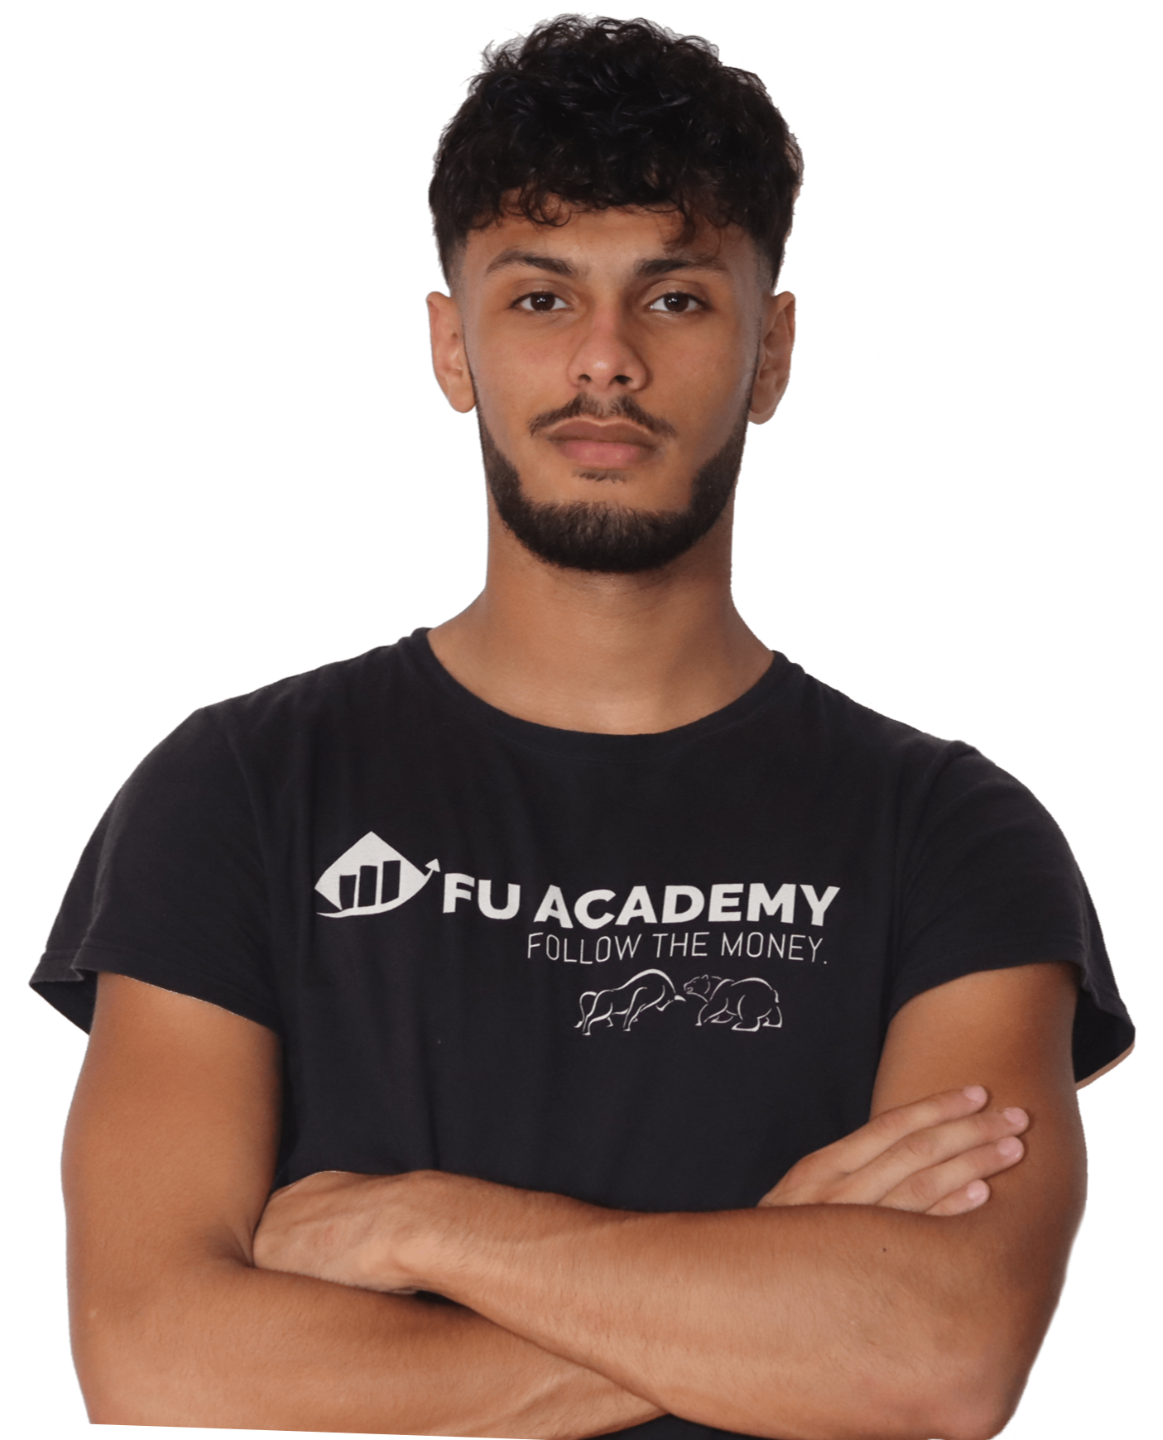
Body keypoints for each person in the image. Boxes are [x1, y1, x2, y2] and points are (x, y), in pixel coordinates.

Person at [33, 14, 1134, 1438]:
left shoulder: (951, 836)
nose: (605, 361)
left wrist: (419, 1224)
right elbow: (162, 1369)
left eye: (674, 298)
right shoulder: (236, 792)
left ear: (771, 353)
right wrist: (762, 1280)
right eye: (542, 298)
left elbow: (933, 1359)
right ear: (453, 346)